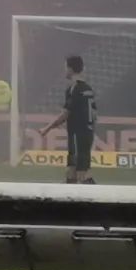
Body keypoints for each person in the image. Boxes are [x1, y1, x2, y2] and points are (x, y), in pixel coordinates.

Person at [38, 55, 97, 184]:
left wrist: (46, 129)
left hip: (77, 134)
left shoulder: (73, 89)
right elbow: (93, 114)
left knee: (82, 173)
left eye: (65, 67)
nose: (64, 70)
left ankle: (99, 199)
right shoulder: (88, 89)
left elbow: (65, 114)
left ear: (70, 69)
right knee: (71, 171)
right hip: (86, 134)